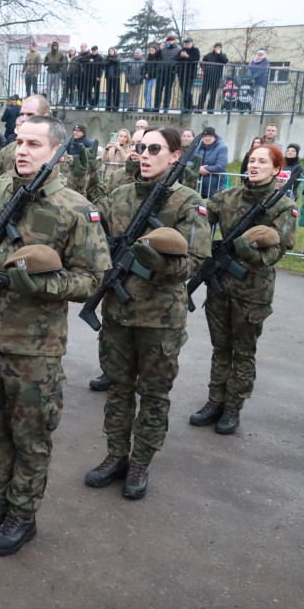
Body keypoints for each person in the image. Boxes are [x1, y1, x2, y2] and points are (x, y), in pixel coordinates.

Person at [0, 114, 110, 554]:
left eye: (34, 143)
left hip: (36, 348)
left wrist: (44, 285)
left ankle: (23, 513)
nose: (23, 150)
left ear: (56, 151)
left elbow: (93, 280)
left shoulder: (74, 208)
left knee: (31, 434)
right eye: (19, 142)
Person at [84, 127, 211, 499]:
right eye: (141, 147)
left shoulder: (188, 202)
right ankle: (115, 456)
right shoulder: (119, 196)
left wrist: (157, 263)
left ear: (174, 156)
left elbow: (197, 260)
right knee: (119, 390)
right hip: (118, 313)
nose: (145, 153)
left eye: (155, 148)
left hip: (160, 319)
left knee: (153, 393)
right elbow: (90, 237)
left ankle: (140, 461)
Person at [189, 144, 296, 435]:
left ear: (276, 169)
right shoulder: (228, 196)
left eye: (262, 161)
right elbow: (197, 217)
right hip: (221, 284)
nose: (254, 165)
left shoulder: (283, 206)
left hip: (253, 291)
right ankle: (215, 400)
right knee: (220, 348)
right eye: (251, 160)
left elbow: (278, 252)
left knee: (243, 351)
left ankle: (233, 406)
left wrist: (249, 253)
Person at [198, 126, 228, 199]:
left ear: (214, 137)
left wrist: (203, 169)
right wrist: (198, 169)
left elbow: (221, 166)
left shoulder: (222, 147)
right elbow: (189, 160)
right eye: (205, 136)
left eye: (210, 136)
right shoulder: (198, 146)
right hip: (198, 186)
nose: (207, 138)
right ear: (202, 138)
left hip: (215, 188)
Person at [199, 43, 229, 111]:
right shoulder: (208, 55)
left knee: (213, 94)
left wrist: (219, 54)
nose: (217, 48)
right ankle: (200, 108)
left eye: (219, 47)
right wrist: (205, 69)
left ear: (221, 48)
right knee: (203, 93)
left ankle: (210, 109)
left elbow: (226, 61)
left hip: (216, 77)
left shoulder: (223, 55)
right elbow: (202, 63)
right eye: (216, 47)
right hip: (207, 77)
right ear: (214, 48)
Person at [156, 35, 181, 111]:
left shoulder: (178, 49)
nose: (169, 42)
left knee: (168, 90)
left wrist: (175, 70)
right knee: (158, 90)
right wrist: (160, 49)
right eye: (168, 40)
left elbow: (180, 61)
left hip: (171, 72)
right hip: (161, 70)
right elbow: (156, 57)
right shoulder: (163, 48)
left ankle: (166, 107)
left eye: (171, 40)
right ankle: (156, 107)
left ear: (174, 41)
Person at [178, 37, 200, 111]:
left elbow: (196, 59)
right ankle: (185, 107)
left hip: (190, 74)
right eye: (186, 43)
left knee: (187, 91)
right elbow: (177, 59)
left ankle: (189, 107)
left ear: (192, 43)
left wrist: (187, 56)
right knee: (183, 91)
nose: (187, 44)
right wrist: (181, 56)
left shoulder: (195, 50)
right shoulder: (182, 50)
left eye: (188, 43)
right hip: (182, 74)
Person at [144, 45, 160, 111]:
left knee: (149, 91)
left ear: (155, 51)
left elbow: (157, 69)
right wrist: (145, 73)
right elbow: (145, 67)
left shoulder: (157, 59)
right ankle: (147, 106)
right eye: (150, 50)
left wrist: (150, 74)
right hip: (147, 77)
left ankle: (149, 107)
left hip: (153, 77)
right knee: (145, 92)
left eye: (152, 50)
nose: (151, 51)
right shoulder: (148, 59)